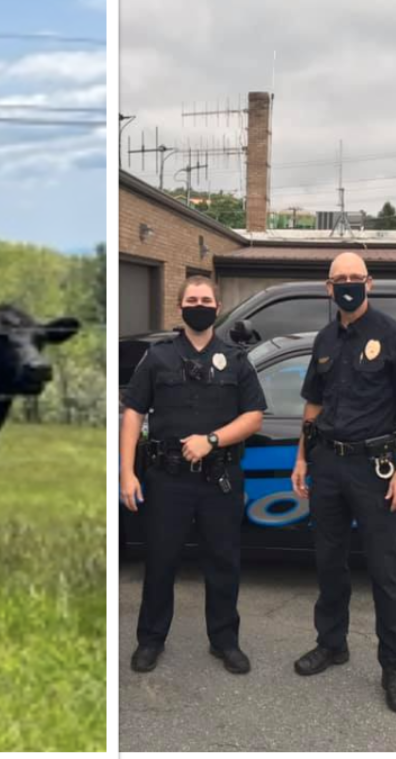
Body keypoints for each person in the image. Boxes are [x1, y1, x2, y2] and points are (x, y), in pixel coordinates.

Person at [289, 252, 396, 713]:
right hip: (327, 464)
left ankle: (394, 666)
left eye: (355, 277)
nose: (347, 285)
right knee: (329, 563)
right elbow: (313, 405)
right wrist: (302, 460)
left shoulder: (395, 337)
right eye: (338, 279)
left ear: (370, 283)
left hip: (376, 469)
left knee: (385, 573)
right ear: (327, 288)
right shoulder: (325, 339)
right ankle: (332, 644)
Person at [120, 276, 266, 674]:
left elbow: (254, 416)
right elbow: (133, 411)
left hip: (218, 480)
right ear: (180, 307)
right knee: (160, 561)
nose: (198, 305)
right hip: (167, 479)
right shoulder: (159, 357)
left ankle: (224, 641)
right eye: (191, 299)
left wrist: (213, 440)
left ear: (217, 308)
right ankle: (150, 639)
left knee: (222, 562)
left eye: (205, 299)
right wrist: (127, 471)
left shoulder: (236, 360)